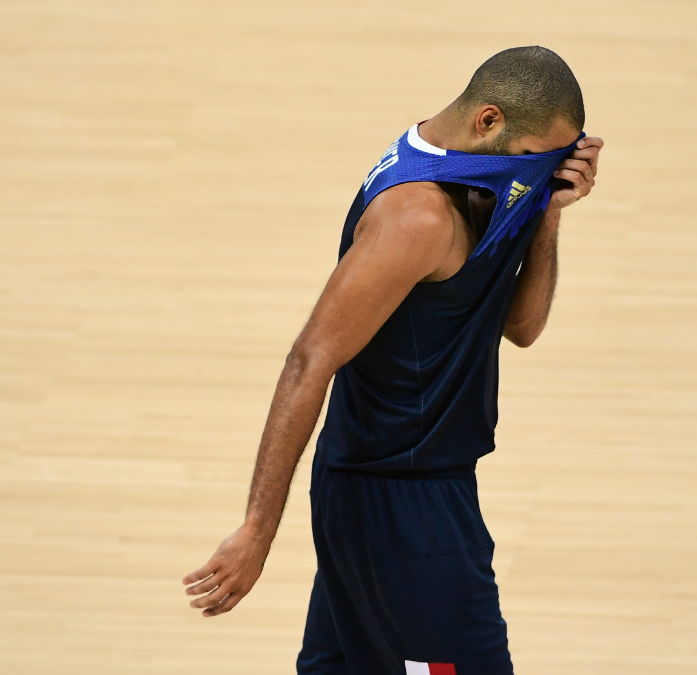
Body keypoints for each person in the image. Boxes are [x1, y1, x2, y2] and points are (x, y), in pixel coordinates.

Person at [181, 45, 603, 675]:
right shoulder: (418, 217)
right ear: (488, 121)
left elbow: (521, 328)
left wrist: (548, 215)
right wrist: (257, 531)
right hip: (402, 510)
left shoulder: (490, 178)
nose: (542, 171)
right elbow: (308, 359)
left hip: (409, 484)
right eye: (534, 158)